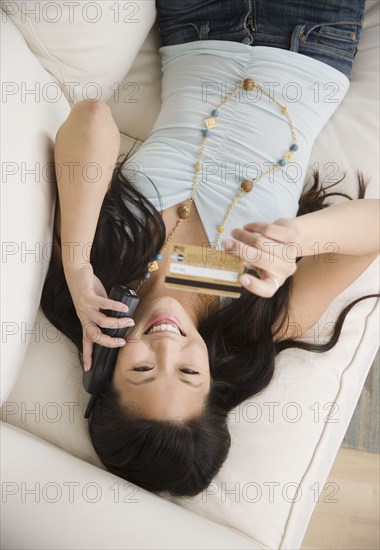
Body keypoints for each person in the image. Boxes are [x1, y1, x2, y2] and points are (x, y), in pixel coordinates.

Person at [41, 0, 379, 497]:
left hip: (197, 21)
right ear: (213, 376)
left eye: (142, 370)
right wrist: (301, 240)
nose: (166, 343)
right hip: (314, 32)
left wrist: (75, 261)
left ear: (106, 370)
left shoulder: (103, 263)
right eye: (187, 370)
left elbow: (89, 120)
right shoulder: (256, 315)